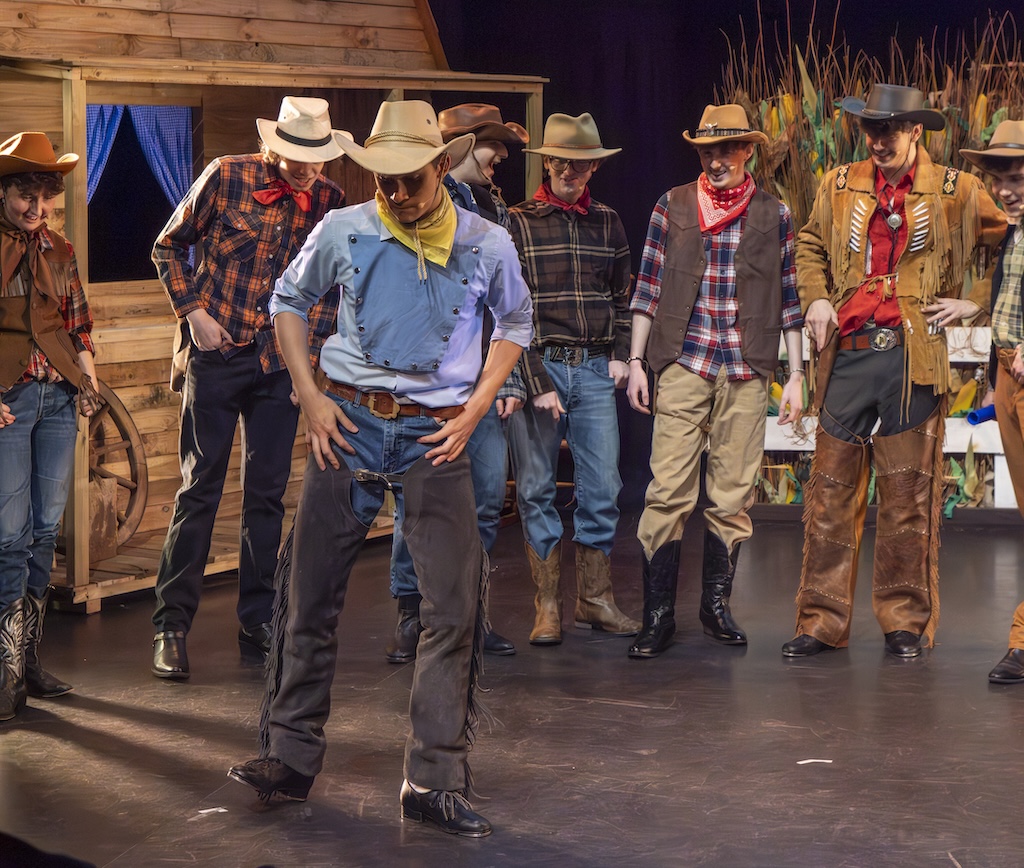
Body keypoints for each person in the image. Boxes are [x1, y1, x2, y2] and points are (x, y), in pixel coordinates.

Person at [227, 99, 532, 837]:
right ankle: (289, 758)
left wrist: (476, 406)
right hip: (351, 424)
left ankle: (432, 781)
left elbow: (516, 322)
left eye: (409, 181)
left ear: (439, 167)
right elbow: (289, 300)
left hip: (436, 437)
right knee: (308, 596)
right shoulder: (348, 228)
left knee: (453, 611)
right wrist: (308, 394)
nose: (394, 194)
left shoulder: (487, 243)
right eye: (383, 181)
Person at [783, 84, 1006, 659]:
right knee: (831, 489)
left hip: (913, 358)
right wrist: (816, 299)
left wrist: (974, 299)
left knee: (908, 495)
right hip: (851, 350)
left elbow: (1009, 242)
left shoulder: (957, 190)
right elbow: (808, 244)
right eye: (871, 130)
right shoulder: (838, 184)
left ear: (916, 132)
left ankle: (905, 621)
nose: (879, 141)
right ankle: (819, 622)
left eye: (891, 130)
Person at [149, 97, 347, 679]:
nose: (308, 169)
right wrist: (192, 313)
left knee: (266, 494)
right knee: (199, 488)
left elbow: (328, 291)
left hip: (278, 366)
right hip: (217, 355)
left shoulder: (329, 201)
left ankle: (257, 619)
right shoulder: (227, 175)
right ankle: (170, 626)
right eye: (297, 157)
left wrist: (306, 366)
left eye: (316, 159)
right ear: (273, 147)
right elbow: (167, 246)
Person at [625, 104, 805, 659]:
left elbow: (790, 299)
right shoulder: (672, 205)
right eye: (708, 151)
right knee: (667, 491)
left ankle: (715, 606)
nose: (717, 160)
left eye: (727, 149)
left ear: (747, 151)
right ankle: (657, 615)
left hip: (746, 367)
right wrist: (636, 361)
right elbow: (648, 289)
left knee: (731, 494)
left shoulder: (774, 213)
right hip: (684, 362)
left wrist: (795, 375)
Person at [384, 103, 528, 662]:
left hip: (482, 385)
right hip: (428, 384)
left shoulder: (498, 218)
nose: (503, 158)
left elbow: (512, 310)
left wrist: (508, 379)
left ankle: (468, 611)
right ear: (458, 153)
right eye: (494, 146)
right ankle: (411, 613)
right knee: (416, 499)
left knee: (486, 498)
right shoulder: (415, 211)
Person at [507, 111, 640, 646]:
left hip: (591, 366)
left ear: (592, 168)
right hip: (540, 364)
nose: (570, 170)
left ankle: (595, 598)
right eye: (562, 161)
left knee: (603, 485)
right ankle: (546, 606)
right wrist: (533, 376)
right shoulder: (517, 220)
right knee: (536, 486)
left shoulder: (606, 221)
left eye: (581, 163)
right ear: (548, 163)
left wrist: (621, 355)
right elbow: (509, 309)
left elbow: (622, 298)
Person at [0, 132, 99, 721]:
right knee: (8, 535)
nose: (37, 210)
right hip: (10, 401)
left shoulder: (59, 250)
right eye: (25, 197)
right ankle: (5, 673)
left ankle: (28, 662)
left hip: (58, 398)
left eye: (45, 199)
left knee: (42, 530)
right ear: (4, 190)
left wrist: (89, 384)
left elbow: (78, 324)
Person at [959, 121, 1024, 683]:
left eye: (1018, 178)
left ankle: (1023, 641)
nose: (1007, 190)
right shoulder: (1014, 233)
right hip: (1009, 378)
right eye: (999, 179)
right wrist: (993, 376)